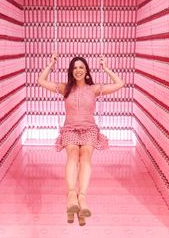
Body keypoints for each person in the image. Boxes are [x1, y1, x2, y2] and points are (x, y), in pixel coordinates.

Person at [38, 53, 125, 226]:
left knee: (84, 156)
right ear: (71, 71)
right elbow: (41, 80)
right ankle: (72, 195)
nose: (78, 70)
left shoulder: (94, 89)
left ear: (86, 71)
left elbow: (120, 84)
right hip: (70, 128)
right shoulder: (65, 88)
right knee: (72, 156)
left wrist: (106, 68)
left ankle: (82, 198)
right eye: (75, 68)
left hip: (89, 129)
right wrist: (51, 64)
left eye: (81, 67)